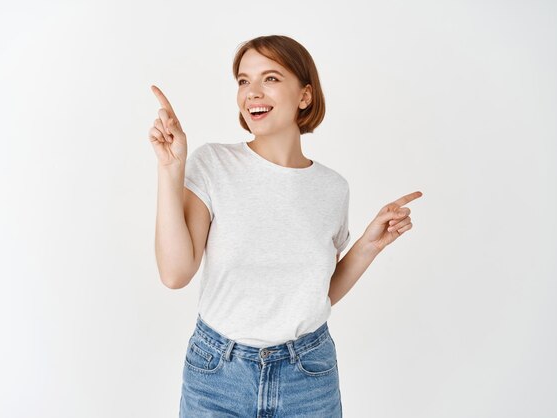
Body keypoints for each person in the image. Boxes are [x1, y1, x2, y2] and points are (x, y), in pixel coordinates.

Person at [149, 34, 422, 417]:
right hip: (217, 374)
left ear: (305, 96)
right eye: (244, 81)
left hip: (308, 374)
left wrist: (368, 246)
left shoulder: (332, 188)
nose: (252, 93)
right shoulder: (213, 164)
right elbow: (176, 273)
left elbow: (316, 295)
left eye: (270, 78)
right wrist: (170, 168)